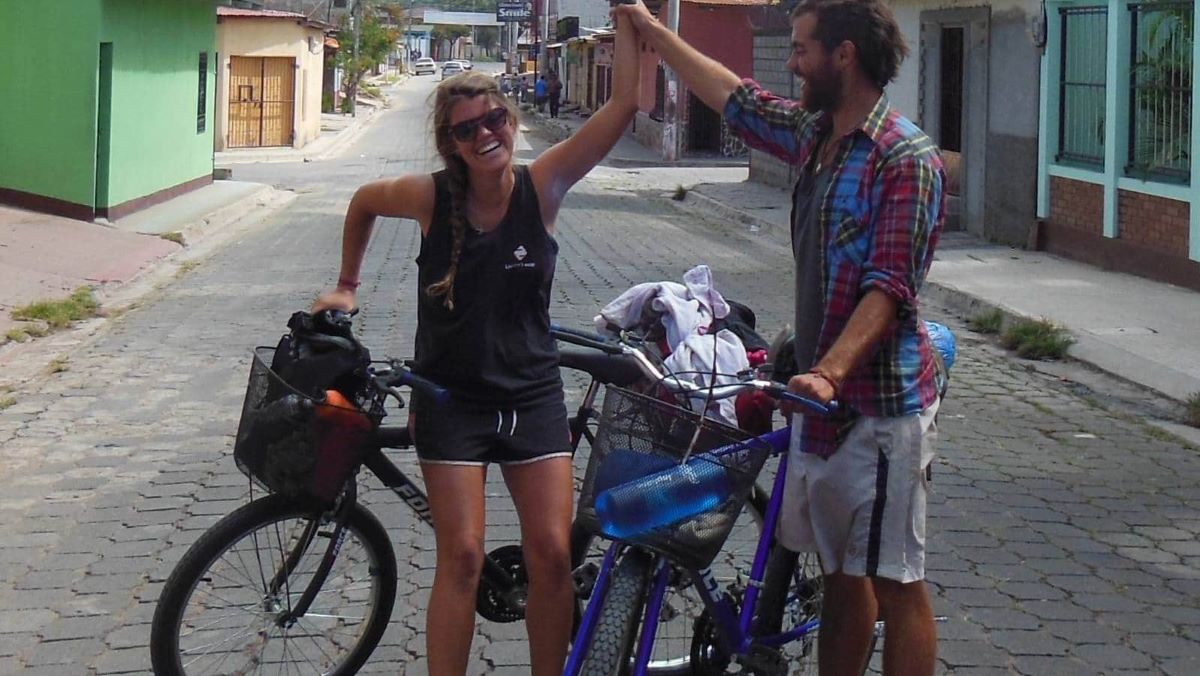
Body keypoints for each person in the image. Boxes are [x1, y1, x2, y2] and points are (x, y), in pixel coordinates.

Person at [613, 1, 944, 675]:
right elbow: (734, 97)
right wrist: (653, 32)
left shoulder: (903, 158)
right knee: (844, 575)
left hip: (879, 408)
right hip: (817, 405)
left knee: (895, 579)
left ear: (843, 55)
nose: (790, 62)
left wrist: (831, 372)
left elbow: (890, 288)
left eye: (799, 48)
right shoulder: (816, 135)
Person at [311, 17, 641, 676]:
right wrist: (347, 285)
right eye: (467, 129)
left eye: (493, 119)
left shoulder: (541, 185)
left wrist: (631, 16)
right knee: (461, 555)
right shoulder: (430, 197)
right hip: (450, 402)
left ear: (509, 119)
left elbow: (624, 104)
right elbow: (362, 201)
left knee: (550, 554)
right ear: (451, 143)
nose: (486, 134)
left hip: (532, 397)